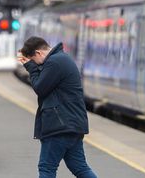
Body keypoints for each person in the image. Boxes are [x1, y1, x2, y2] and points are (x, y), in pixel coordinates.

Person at [18, 37, 97, 178]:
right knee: (79, 167)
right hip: (72, 124)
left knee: (46, 168)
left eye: (34, 60)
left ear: (38, 53)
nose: (35, 65)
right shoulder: (62, 59)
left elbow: (40, 88)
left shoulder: (54, 62)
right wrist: (33, 65)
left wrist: (31, 68)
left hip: (59, 125)